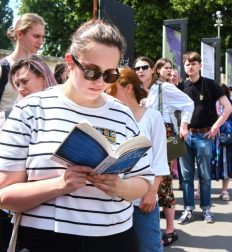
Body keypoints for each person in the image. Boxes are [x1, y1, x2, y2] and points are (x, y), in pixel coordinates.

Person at [0, 20, 153, 252]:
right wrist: (60, 184)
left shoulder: (122, 114)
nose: (100, 82)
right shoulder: (31, 109)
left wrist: (118, 187)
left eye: (110, 75)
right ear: (70, 62)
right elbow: (5, 194)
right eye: (91, 71)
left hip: (115, 238)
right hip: (45, 240)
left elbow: (143, 180)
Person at [106, 67, 169, 251]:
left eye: (111, 91)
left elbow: (159, 159)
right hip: (114, 198)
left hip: (143, 200)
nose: (108, 97)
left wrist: (151, 192)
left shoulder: (152, 117)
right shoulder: (110, 118)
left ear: (128, 88)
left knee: (148, 247)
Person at [134, 56, 193, 245]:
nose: (140, 71)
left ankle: (170, 228)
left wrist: (184, 126)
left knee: (163, 182)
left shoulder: (163, 87)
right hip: (142, 137)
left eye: (145, 67)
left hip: (164, 136)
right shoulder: (134, 91)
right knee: (144, 178)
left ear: (153, 70)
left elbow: (188, 104)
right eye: (137, 68)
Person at [0, 55, 56, 251]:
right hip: (9, 214)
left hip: (55, 218)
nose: (20, 88)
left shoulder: (63, 118)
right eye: (17, 84)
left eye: (25, 81)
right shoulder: (6, 117)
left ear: (44, 78)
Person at [178, 51, 232, 224]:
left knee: (205, 176)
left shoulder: (210, 85)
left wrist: (216, 126)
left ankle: (207, 209)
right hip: (185, 136)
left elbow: (228, 108)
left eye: (194, 63)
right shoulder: (181, 86)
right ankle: (188, 209)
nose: (190, 66)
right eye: (187, 64)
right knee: (186, 177)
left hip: (204, 135)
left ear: (200, 65)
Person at [0, 13, 45, 113]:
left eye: (42, 37)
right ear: (19, 34)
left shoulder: (41, 69)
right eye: (36, 36)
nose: (41, 42)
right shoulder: (3, 68)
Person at [211, 84, 232, 201]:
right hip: (211, 138)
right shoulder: (210, 104)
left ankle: (224, 190)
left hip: (228, 138)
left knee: (227, 163)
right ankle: (200, 190)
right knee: (206, 163)